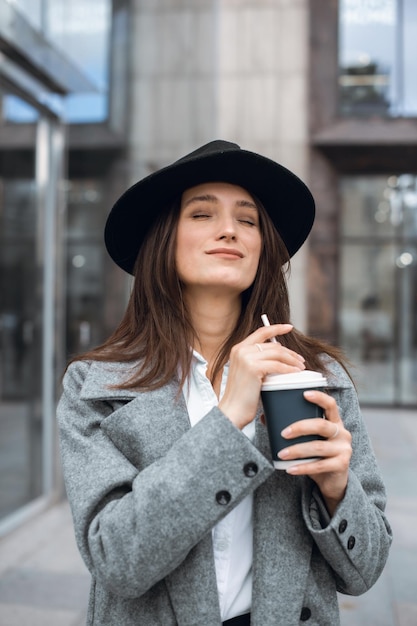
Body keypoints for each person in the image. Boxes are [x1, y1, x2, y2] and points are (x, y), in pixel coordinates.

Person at [57, 140, 392, 626]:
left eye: (248, 220)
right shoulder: (95, 387)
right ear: (163, 238)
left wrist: (338, 488)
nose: (230, 230)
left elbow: (364, 572)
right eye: (201, 215)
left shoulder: (315, 376)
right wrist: (228, 418)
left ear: (263, 248)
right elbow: (117, 562)